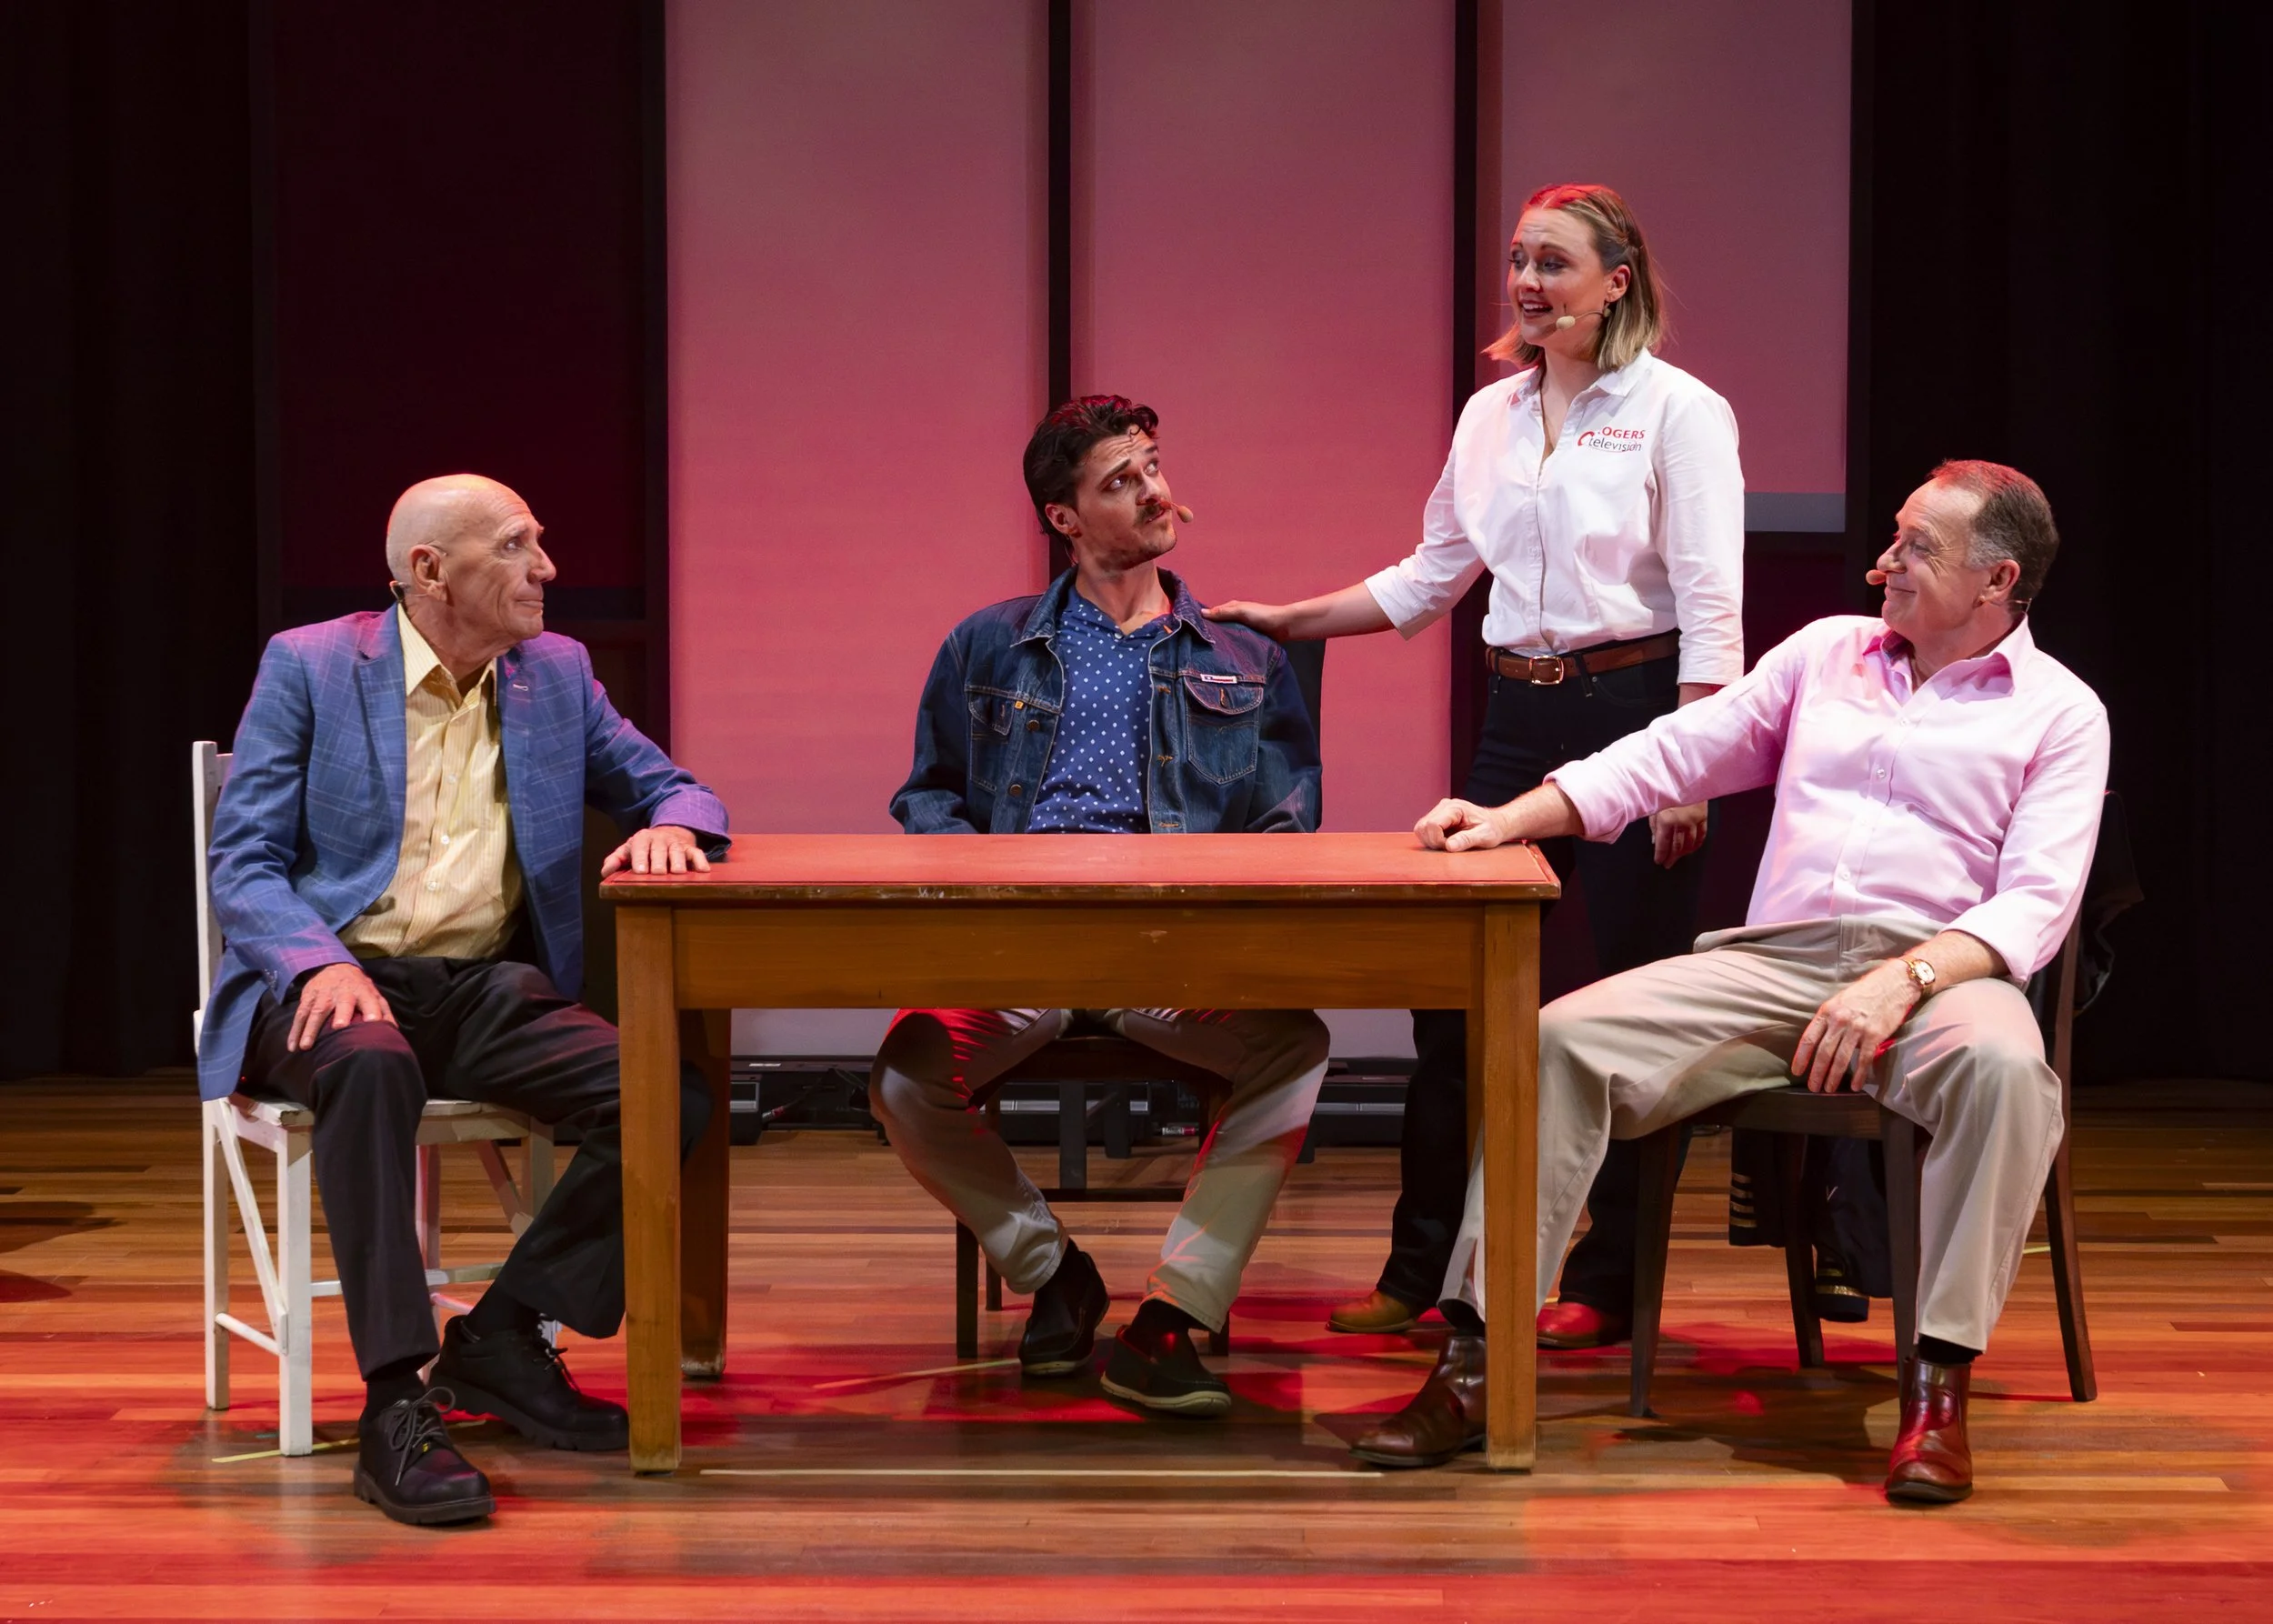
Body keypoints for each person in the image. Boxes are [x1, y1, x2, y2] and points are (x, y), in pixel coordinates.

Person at [1349, 461, 2108, 1506]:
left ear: (1997, 579)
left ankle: (1937, 1386)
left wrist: (1903, 978)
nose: (1883, 561)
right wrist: (1511, 816)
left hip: (1943, 968)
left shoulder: (2061, 713)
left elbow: (2035, 903)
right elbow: (1673, 751)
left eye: (1916, 547)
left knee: (2010, 1075)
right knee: (1554, 1042)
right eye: (1893, 535)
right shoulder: (1826, 654)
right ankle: (1477, 1362)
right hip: (1774, 960)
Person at [1207, 183, 1744, 1347]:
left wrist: (1689, 767)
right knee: (1453, 1000)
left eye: (1552, 262)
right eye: (1517, 260)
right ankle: (1422, 1268)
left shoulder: (1679, 411)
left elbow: (1711, 602)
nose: (1525, 283)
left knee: (1635, 1001)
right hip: (1515, 715)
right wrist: (1291, 619)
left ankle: (1609, 1279)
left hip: (1637, 712)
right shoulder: (1489, 413)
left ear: (1615, 281)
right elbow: (1432, 572)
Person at [202, 475, 728, 1526]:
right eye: (517, 545)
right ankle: (397, 1403)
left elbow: (675, 786)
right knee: (370, 1062)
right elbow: (243, 860)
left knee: (664, 1094)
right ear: (430, 571)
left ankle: (502, 1335)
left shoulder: (555, 673)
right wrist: (318, 963)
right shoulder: (311, 664)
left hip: (481, 986)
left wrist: (673, 823)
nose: (547, 567)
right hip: (325, 980)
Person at [875, 395, 1329, 1418]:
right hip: (1020, 945)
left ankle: (1172, 1315)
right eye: (1122, 481)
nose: (1155, 491)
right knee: (906, 1076)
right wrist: (994, 888)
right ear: (1064, 518)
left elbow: (1285, 824)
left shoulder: (1243, 656)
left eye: (1154, 467)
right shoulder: (987, 646)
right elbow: (930, 797)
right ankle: (1054, 1274)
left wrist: (1205, 921)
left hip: (1168, 951)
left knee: (1294, 1045)